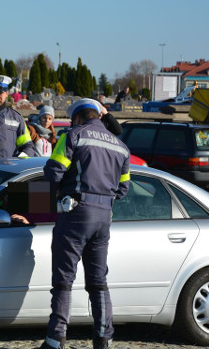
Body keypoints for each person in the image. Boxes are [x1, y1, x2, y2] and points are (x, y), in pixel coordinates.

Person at [39, 98, 130, 349]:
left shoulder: (73, 136)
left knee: (63, 280)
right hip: (104, 218)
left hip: (76, 214)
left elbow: (53, 173)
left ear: (77, 118)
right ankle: (103, 339)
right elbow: (123, 189)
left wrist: (55, 195)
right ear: (98, 116)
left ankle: (55, 338)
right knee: (98, 281)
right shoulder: (121, 147)